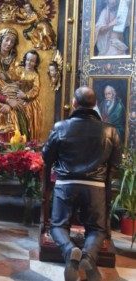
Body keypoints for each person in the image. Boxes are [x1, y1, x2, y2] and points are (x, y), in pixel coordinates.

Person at [42, 86, 121, 281]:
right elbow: (116, 163)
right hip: (96, 187)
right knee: (97, 228)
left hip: (65, 183)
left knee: (58, 226)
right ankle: (88, 256)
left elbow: (46, 156)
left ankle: (70, 251)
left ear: (75, 104)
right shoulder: (110, 130)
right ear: (95, 104)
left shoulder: (61, 127)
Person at [12, 50, 43, 140]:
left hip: (29, 103)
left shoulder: (35, 75)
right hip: (15, 98)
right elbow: (12, 80)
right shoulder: (19, 70)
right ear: (25, 60)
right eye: (28, 60)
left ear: (36, 63)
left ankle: (26, 140)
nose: (29, 63)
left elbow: (35, 89)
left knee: (27, 122)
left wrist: (25, 96)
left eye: (32, 61)